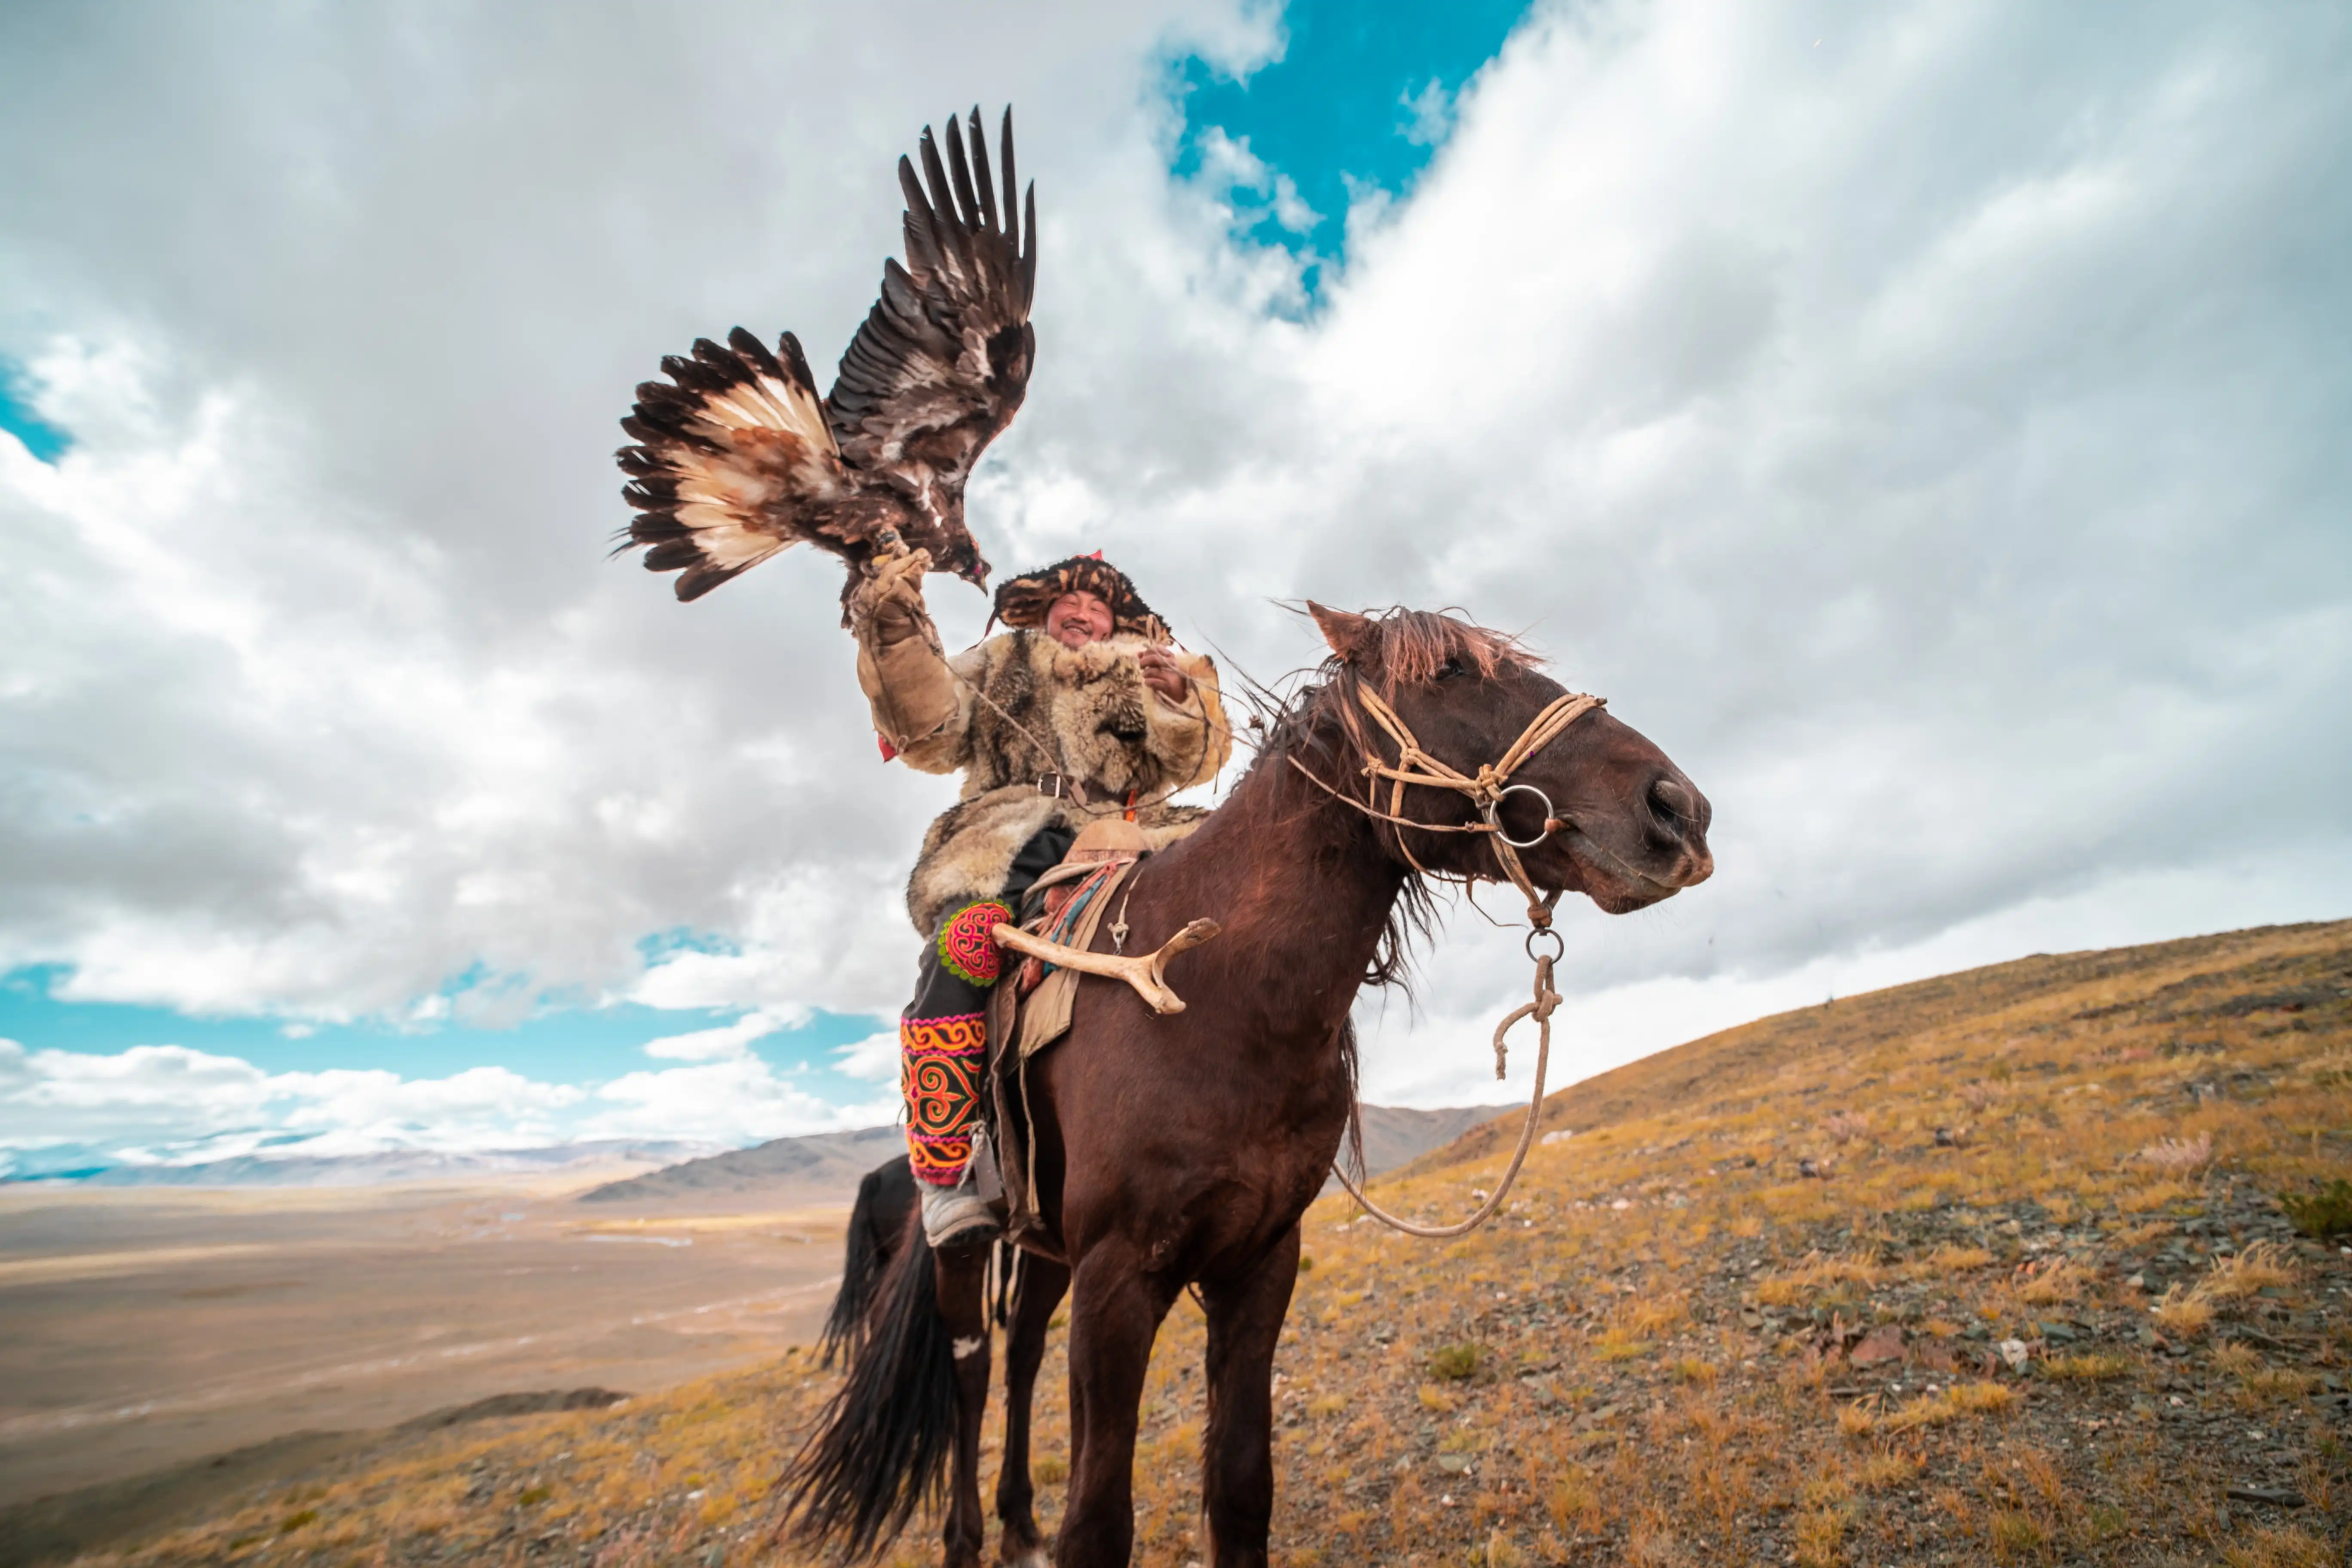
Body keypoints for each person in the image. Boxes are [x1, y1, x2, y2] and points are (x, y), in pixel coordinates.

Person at [850, 550, 1232, 1245]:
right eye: (1069, 603)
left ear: (1116, 619)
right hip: (1011, 837)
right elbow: (927, 733)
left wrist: (1182, 691)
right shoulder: (999, 659)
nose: (1083, 612)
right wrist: (898, 632)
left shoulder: (1148, 665)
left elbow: (1198, 760)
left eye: (1098, 605)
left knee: (1239, 912)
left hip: (1136, 832)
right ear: (1042, 612)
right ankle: (946, 1175)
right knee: (963, 945)